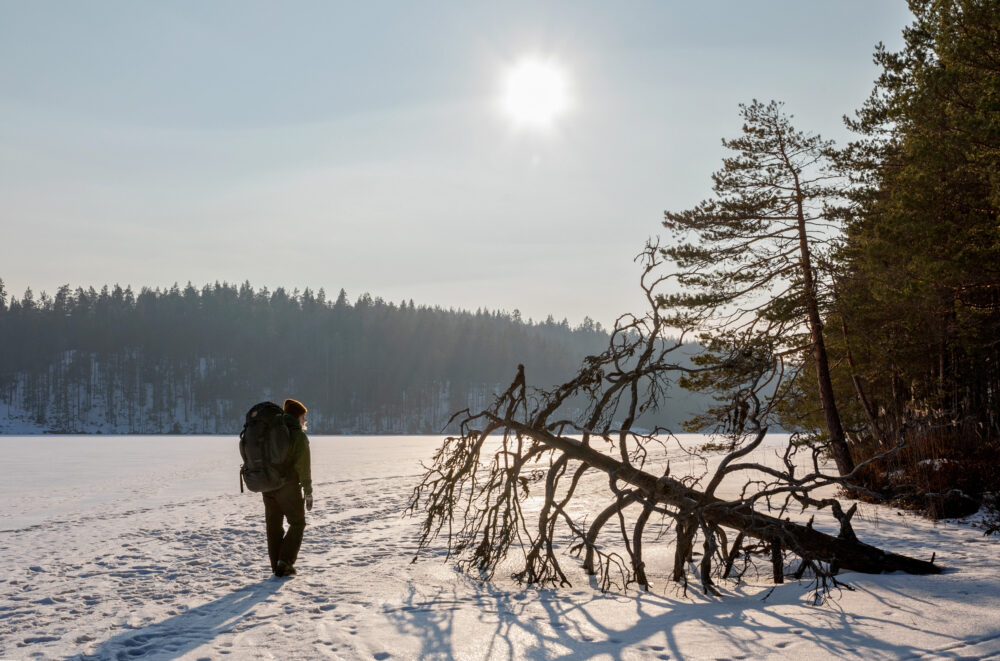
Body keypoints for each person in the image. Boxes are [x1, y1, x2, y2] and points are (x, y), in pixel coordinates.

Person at [263, 398, 313, 577]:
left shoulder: (271, 431)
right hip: (288, 487)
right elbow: (303, 467)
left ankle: (276, 565)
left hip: (268, 486)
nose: (305, 420)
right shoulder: (298, 435)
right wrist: (308, 491)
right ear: (297, 416)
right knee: (297, 523)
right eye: (304, 416)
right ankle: (284, 563)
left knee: (273, 526)